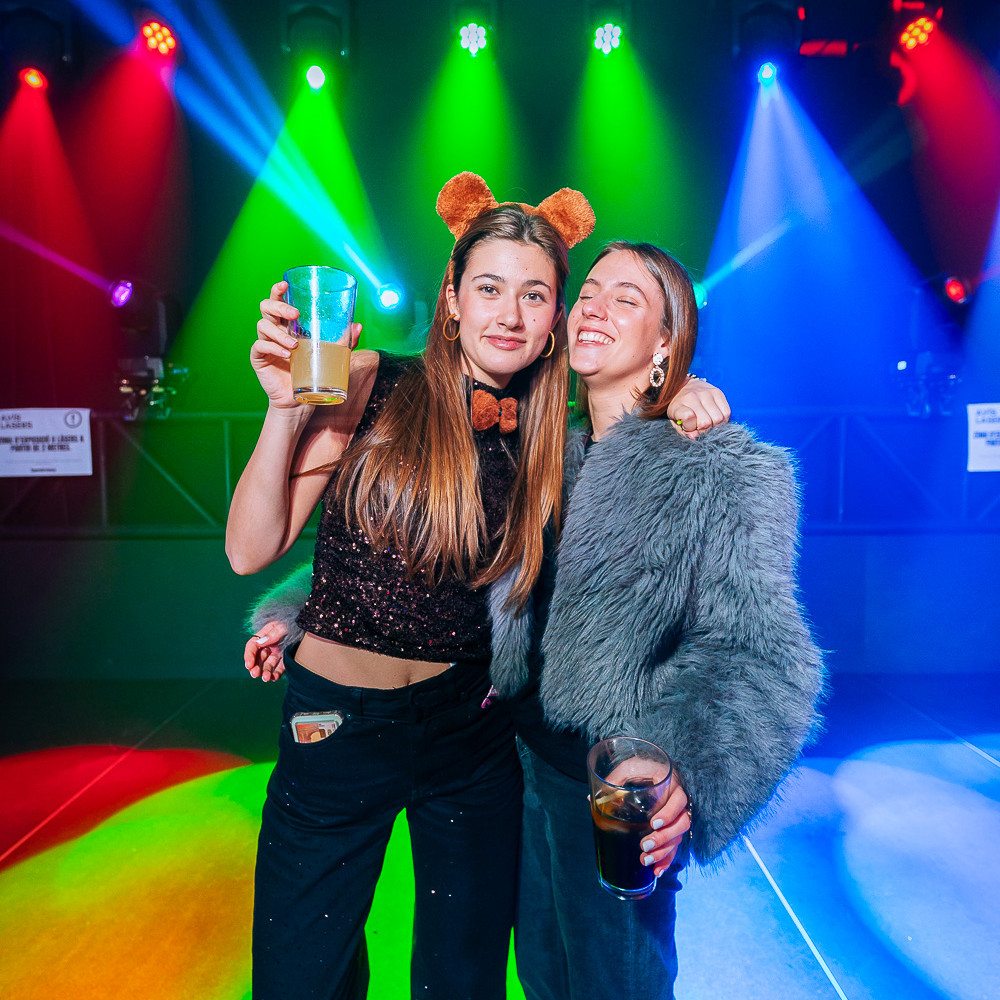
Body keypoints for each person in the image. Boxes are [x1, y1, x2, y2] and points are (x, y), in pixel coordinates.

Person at [249, 240, 823, 1000]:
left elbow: (760, 654)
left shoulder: (719, 467)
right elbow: (441, 561)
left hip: (614, 790)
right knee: (539, 979)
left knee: (616, 985)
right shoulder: (544, 451)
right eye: (590, 292)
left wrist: (684, 763)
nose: (595, 308)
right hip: (511, 765)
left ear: (666, 344)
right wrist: (307, 613)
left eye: (627, 300)